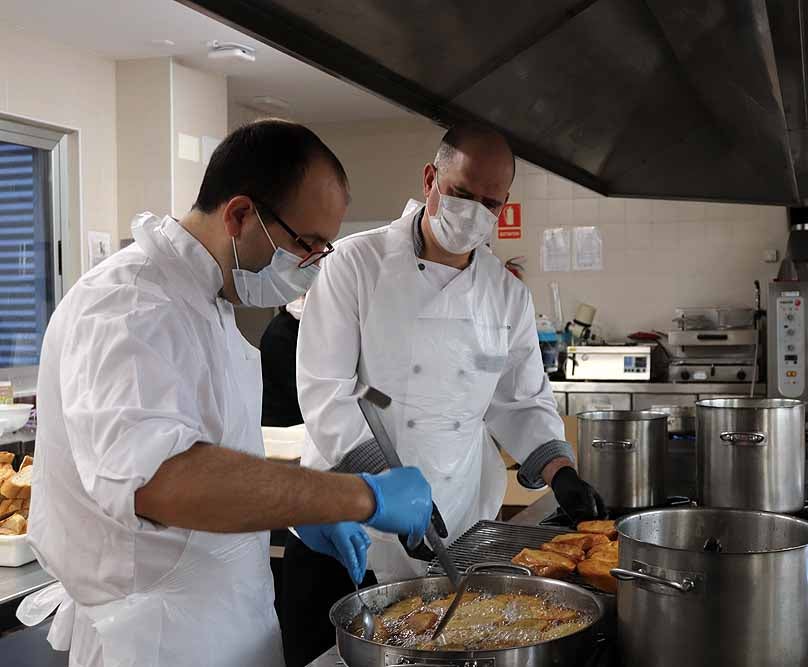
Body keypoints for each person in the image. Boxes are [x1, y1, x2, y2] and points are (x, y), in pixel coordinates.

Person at [17, 119, 433, 667]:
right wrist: (360, 497)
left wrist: (289, 513)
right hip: (159, 644)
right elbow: (161, 479)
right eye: (304, 244)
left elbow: (213, 451)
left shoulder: (207, 300)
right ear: (240, 215)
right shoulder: (129, 306)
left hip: (225, 621)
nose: (310, 266)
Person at [281, 123, 607, 665]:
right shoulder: (354, 265)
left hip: (454, 534)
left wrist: (559, 472)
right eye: (461, 193)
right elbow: (327, 391)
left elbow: (520, 399)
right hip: (345, 527)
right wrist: (385, 487)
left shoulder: (505, 295)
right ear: (431, 178)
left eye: (490, 203)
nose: (473, 213)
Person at [261, 295, 306, 427]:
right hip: (281, 424)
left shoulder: (303, 328)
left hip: (299, 418)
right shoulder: (281, 332)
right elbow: (298, 390)